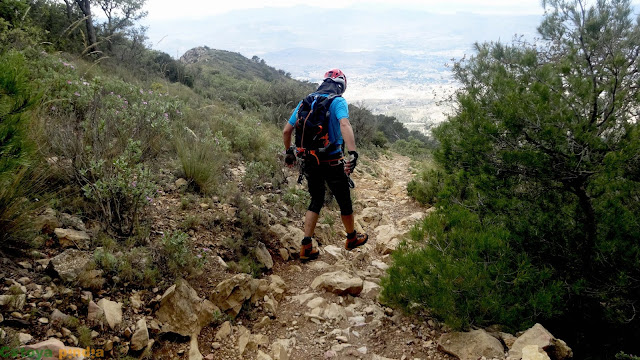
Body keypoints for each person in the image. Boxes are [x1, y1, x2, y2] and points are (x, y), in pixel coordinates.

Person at [282, 69, 368, 261]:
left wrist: (289, 152)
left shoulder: (306, 101)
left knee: (316, 200)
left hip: (310, 160)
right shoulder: (337, 101)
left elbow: (287, 131)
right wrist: (352, 153)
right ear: (341, 86)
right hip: (331, 160)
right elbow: (344, 125)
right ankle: (351, 238)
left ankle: (306, 246)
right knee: (344, 199)